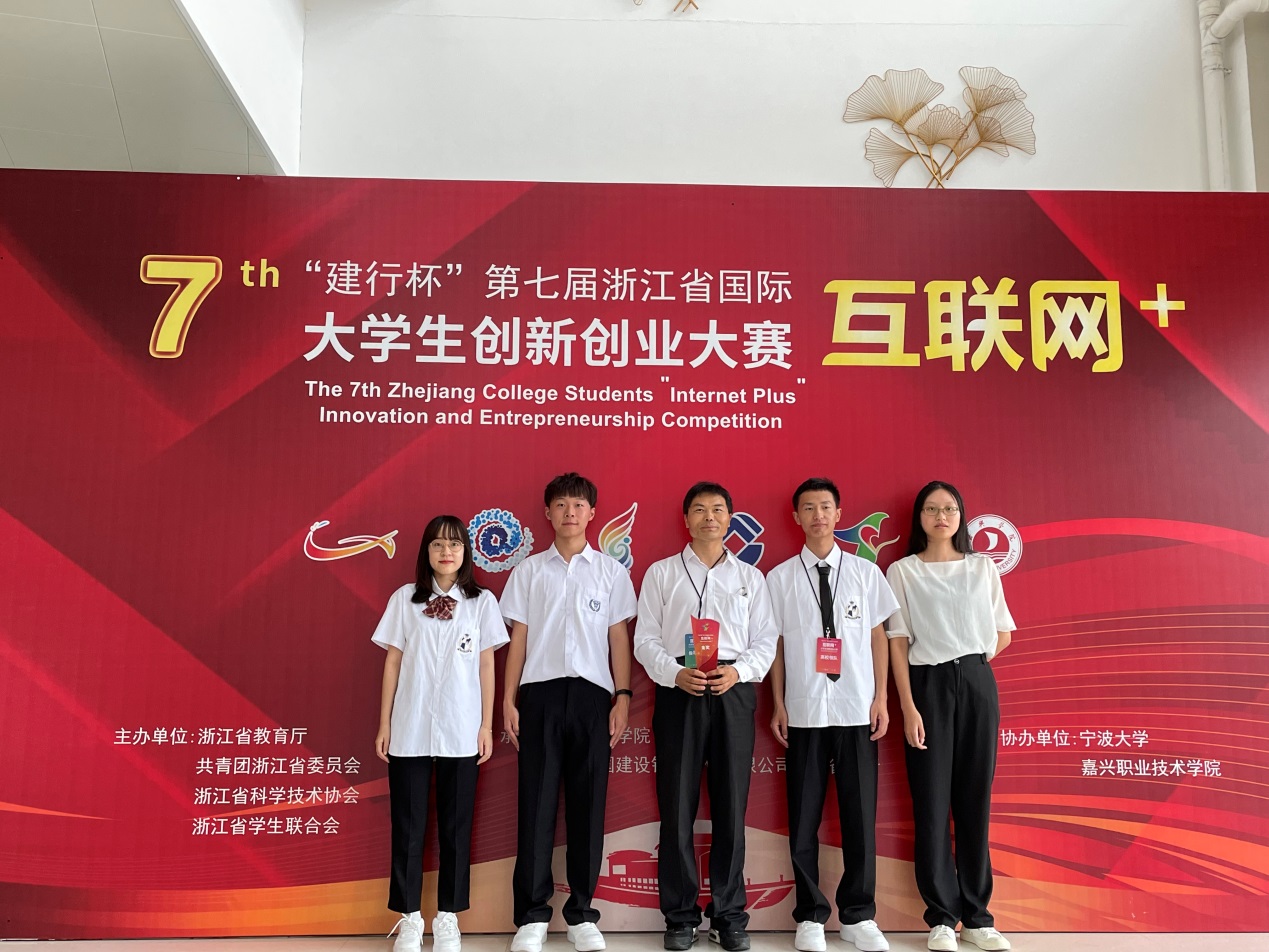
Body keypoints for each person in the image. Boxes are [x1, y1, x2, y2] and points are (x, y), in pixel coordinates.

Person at [634, 481, 778, 952]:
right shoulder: (661, 573)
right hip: (679, 689)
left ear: (729, 519)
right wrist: (673, 674)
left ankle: (729, 915)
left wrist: (740, 672)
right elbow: (645, 639)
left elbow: (766, 640)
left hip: (732, 689)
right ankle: (680, 916)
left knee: (731, 807)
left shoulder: (750, 578)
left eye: (717, 509)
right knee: (677, 807)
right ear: (686, 519)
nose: (709, 517)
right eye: (699, 509)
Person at [501, 473, 638, 952]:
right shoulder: (529, 572)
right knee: (535, 807)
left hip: (593, 698)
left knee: (588, 807)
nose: (570, 513)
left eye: (578, 505)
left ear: (592, 513)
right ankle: (532, 916)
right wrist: (508, 699)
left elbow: (618, 637)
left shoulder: (610, 572)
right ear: (548, 513)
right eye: (561, 505)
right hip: (538, 696)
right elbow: (518, 639)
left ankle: (581, 914)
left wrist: (623, 696)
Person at [767, 478, 899, 952]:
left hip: (856, 707)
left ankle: (859, 915)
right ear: (796, 517)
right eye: (809, 508)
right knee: (803, 817)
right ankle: (810, 915)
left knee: (859, 816)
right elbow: (776, 645)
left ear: (839, 514)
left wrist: (881, 698)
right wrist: (779, 702)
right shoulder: (780, 578)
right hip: (803, 710)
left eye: (825, 506)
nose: (818, 515)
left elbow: (879, 637)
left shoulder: (865, 573)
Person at [885, 482, 1016, 952]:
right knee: (932, 802)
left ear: (961, 515)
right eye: (931, 509)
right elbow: (897, 641)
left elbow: (1002, 632)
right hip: (926, 686)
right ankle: (941, 917)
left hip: (977, 682)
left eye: (949, 508)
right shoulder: (902, 571)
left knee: (975, 802)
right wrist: (908, 705)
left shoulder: (982, 568)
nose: (941, 516)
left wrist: (969, 668)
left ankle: (978, 918)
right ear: (918, 517)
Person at [374, 516, 509, 952]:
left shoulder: (482, 602)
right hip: (410, 726)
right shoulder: (404, 599)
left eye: (454, 544)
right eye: (437, 545)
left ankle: (448, 917)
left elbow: (487, 664)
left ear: (466, 552)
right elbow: (393, 662)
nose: (446, 552)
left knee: (456, 827)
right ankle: (409, 918)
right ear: (426, 552)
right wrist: (385, 723)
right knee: (408, 826)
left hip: (461, 726)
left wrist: (485, 725)